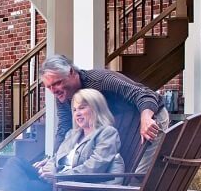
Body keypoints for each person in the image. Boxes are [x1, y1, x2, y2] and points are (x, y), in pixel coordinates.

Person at [40, 54, 170, 174]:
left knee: (137, 174)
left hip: (150, 114)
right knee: (124, 166)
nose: (54, 91)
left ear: (71, 72)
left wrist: (146, 118)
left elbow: (144, 94)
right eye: (49, 87)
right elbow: (64, 128)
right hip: (125, 120)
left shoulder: (100, 80)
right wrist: (55, 158)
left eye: (57, 83)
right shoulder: (64, 97)